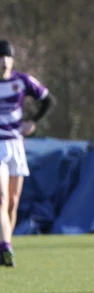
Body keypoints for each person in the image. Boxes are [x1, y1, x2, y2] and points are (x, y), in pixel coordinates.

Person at [0, 40, 54, 267]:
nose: (4, 62)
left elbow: (48, 100)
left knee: (13, 202)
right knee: (1, 198)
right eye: (0, 57)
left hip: (17, 146)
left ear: (13, 60)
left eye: (7, 57)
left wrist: (33, 121)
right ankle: (6, 246)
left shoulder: (22, 81)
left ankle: (5, 244)